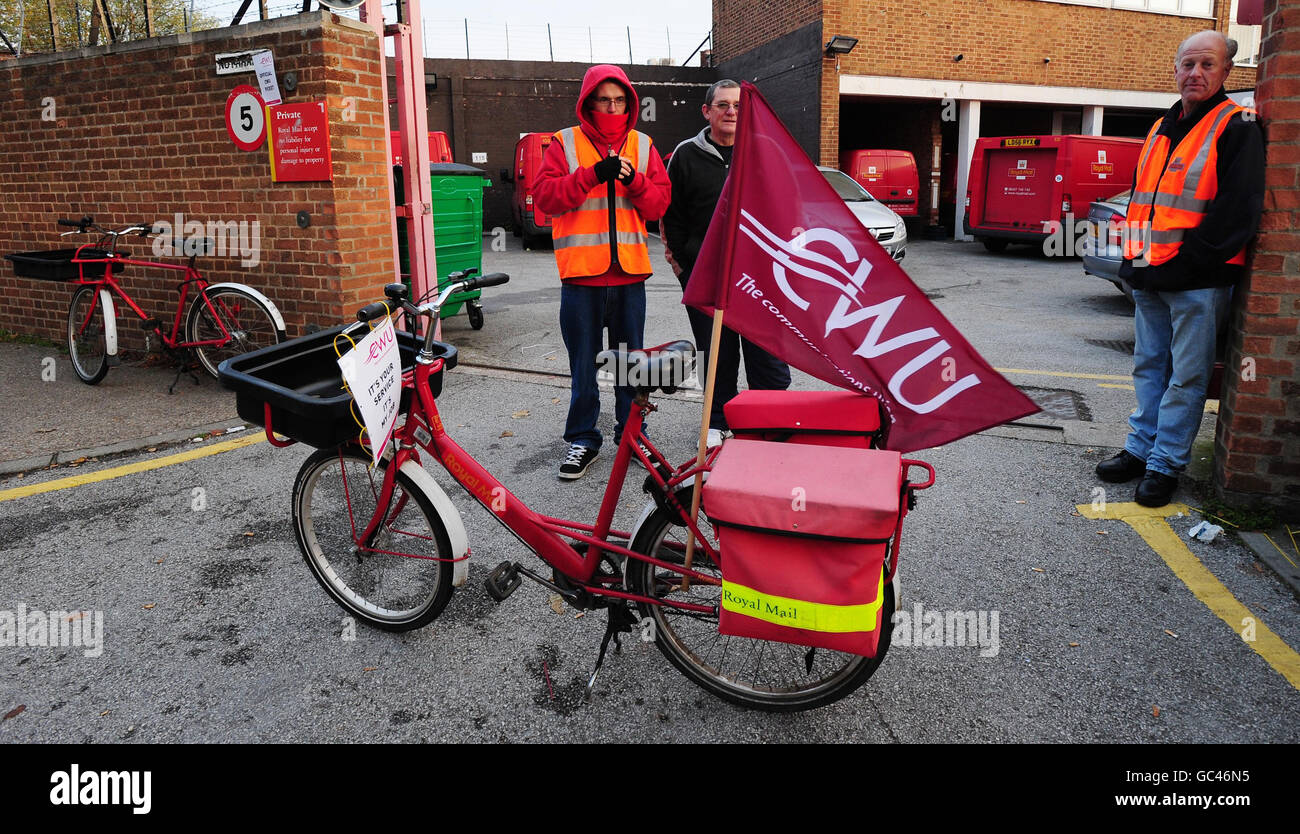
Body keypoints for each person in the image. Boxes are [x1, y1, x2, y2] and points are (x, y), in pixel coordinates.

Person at [1095, 30, 1265, 507]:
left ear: (1226, 71)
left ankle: (1164, 465)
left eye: (1207, 65)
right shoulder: (1162, 125)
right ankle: (1140, 449)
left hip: (1198, 282)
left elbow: (1238, 213)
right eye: (1188, 64)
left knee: (1185, 377)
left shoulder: (1238, 126)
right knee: (1149, 367)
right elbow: (1144, 204)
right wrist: (1133, 262)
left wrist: (1187, 265)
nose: (1196, 73)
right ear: (1174, 69)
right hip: (1150, 274)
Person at [534, 64, 672, 480]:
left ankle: (633, 434)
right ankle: (582, 439)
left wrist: (636, 184)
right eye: (604, 100)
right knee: (584, 365)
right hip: (582, 277)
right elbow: (546, 198)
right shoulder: (564, 143)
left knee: (631, 364)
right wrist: (591, 175)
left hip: (630, 276)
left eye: (620, 100)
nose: (613, 107)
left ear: (629, 104)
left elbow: (659, 206)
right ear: (589, 103)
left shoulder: (644, 146)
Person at [663, 79, 791, 447]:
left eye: (736, 105)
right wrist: (686, 270)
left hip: (758, 280)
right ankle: (718, 421)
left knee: (766, 354)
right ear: (707, 111)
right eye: (722, 105)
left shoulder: (764, 151)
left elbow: (783, 210)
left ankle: (771, 420)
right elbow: (670, 218)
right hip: (706, 280)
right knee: (717, 356)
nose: (731, 111)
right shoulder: (685, 155)